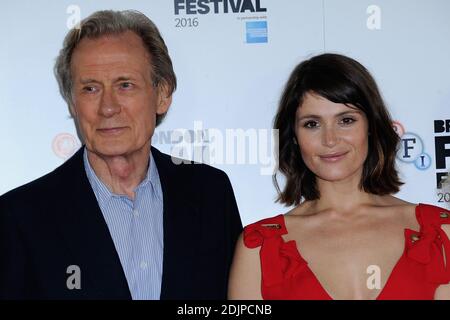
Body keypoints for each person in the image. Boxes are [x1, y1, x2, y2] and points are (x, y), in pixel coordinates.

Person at [0, 10, 242, 300]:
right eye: (90, 89)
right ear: (73, 104)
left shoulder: (210, 193)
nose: (108, 107)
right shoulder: (21, 216)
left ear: (162, 94)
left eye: (125, 85)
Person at [228, 53, 450, 300]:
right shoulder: (258, 248)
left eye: (346, 120)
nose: (330, 140)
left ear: (371, 127)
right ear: (294, 136)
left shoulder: (440, 231)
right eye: (312, 124)